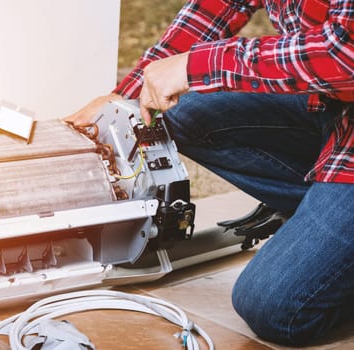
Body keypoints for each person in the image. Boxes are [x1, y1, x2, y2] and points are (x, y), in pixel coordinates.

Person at [66, 0, 354, 346]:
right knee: (176, 113)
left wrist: (196, 65)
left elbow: (344, 54)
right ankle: (323, 222)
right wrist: (122, 98)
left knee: (273, 306)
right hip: (331, 105)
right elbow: (213, 8)